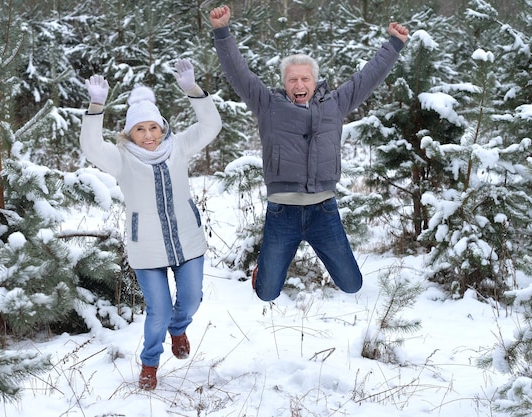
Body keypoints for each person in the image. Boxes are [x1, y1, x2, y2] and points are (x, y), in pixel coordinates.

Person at [209, 6, 409, 302]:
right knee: (266, 293)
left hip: (323, 210)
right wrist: (222, 32)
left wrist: (393, 45)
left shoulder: (335, 103)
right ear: (284, 83)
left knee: (352, 284)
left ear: (315, 82)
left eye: (305, 79)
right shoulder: (268, 104)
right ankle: (260, 273)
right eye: (292, 79)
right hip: (282, 211)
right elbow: (238, 73)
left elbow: (368, 77)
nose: (299, 84)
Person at [79, 59, 222, 390]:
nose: (148, 135)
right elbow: (90, 146)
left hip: (187, 240)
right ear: (129, 133)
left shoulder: (180, 147)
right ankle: (150, 363)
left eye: (153, 128)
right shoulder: (120, 158)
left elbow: (211, 126)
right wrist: (96, 106)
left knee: (191, 298)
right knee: (157, 311)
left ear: (162, 127)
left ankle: (179, 327)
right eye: (140, 129)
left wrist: (192, 90)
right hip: (147, 247)